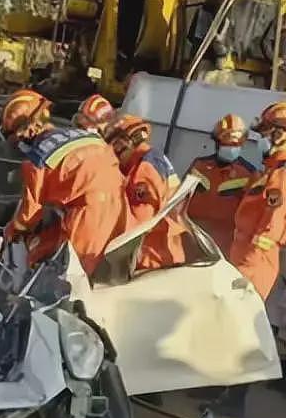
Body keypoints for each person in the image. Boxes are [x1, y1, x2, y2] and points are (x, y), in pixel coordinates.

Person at [0, 88, 127, 275]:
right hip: (120, 206)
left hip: (89, 215)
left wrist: (12, 231)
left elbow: (29, 215)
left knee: (72, 277)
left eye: (16, 138)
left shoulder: (37, 160)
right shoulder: (83, 136)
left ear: (26, 131)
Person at [105, 114, 186, 270]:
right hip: (165, 250)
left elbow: (138, 224)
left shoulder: (144, 169)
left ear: (125, 142)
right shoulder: (153, 158)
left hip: (152, 257)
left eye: (113, 145)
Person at [230, 102, 286, 300]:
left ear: (279, 135)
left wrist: (247, 269)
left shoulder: (281, 174)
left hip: (255, 264)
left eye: (265, 134)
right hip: (245, 258)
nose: (261, 140)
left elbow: (270, 227)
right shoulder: (271, 170)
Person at [185, 114, 256, 253]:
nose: (230, 147)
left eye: (235, 144)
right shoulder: (199, 166)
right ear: (217, 143)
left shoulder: (249, 175)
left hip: (224, 246)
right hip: (191, 237)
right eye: (226, 143)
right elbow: (181, 198)